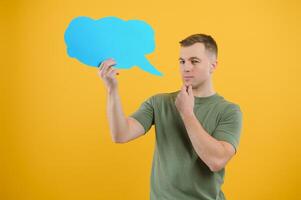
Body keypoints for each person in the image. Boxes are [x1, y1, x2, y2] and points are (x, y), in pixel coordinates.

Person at [98, 33, 243, 200]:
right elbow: (120, 134)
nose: (186, 68)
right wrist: (112, 89)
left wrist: (187, 113)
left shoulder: (229, 111)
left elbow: (216, 161)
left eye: (194, 61)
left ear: (213, 66)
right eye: (182, 61)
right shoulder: (159, 103)